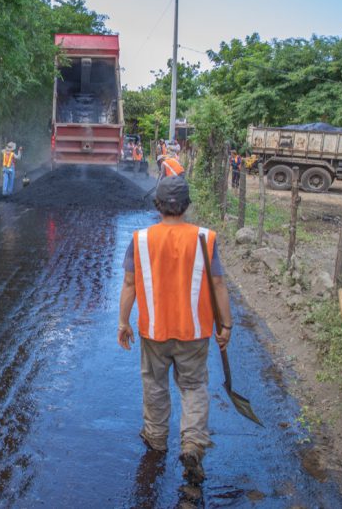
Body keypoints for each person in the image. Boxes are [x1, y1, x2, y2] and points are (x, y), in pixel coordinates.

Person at [118, 176, 233, 485]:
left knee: (155, 384)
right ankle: (193, 444)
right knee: (193, 387)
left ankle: (156, 439)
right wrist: (226, 324)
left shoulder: (141, 239)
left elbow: (129, 284)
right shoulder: (204, 238)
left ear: (158, 205)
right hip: (194, 332)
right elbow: (218, 284)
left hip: (154, 331)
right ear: (186, 205)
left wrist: (123, 322)